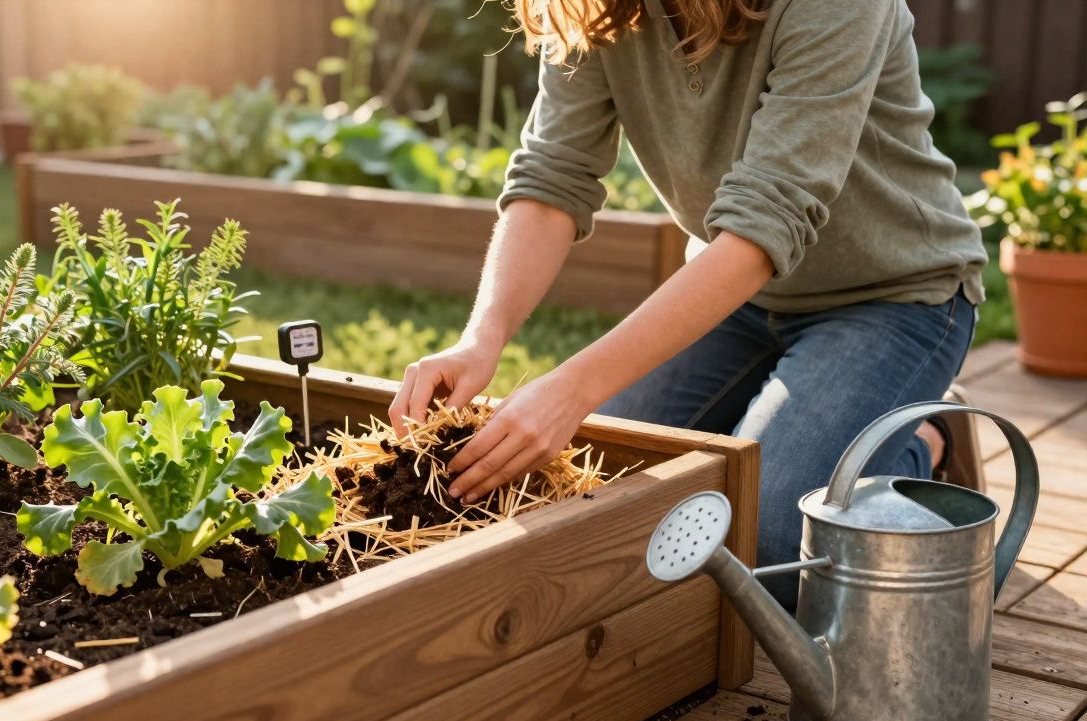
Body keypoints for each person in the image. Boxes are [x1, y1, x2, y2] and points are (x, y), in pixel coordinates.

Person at [387, 0, 986, 606]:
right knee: (603, 492)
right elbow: (551, 178)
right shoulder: (597, 8)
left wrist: (572, 389)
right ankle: (815, 425)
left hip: (891, 296)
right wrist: (480, 338)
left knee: (770, 543)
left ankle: (927, 437)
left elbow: (765, 222)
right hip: (729, 298)